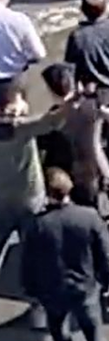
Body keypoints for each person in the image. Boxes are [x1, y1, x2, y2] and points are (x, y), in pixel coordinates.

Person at [21, 167, 109, 341]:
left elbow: (29, 263)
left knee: (58, 329)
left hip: (54, 291)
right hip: (86, 290)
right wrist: (107, 281)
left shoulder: (38, 225)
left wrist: (32, 290)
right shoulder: (89, 217)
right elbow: (105, 254)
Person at [0, 78, 55, 324]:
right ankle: (39, 309)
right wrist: (70, 102)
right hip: (30, 199)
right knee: (37, 255)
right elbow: (52, 122)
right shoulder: (22, 129)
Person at [40, 62, 109, 210]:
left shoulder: (53, 117)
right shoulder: (93, 106)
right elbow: (107, 135)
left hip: (65, 177)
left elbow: (44, 146)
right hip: (90, 173)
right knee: (90, 210)